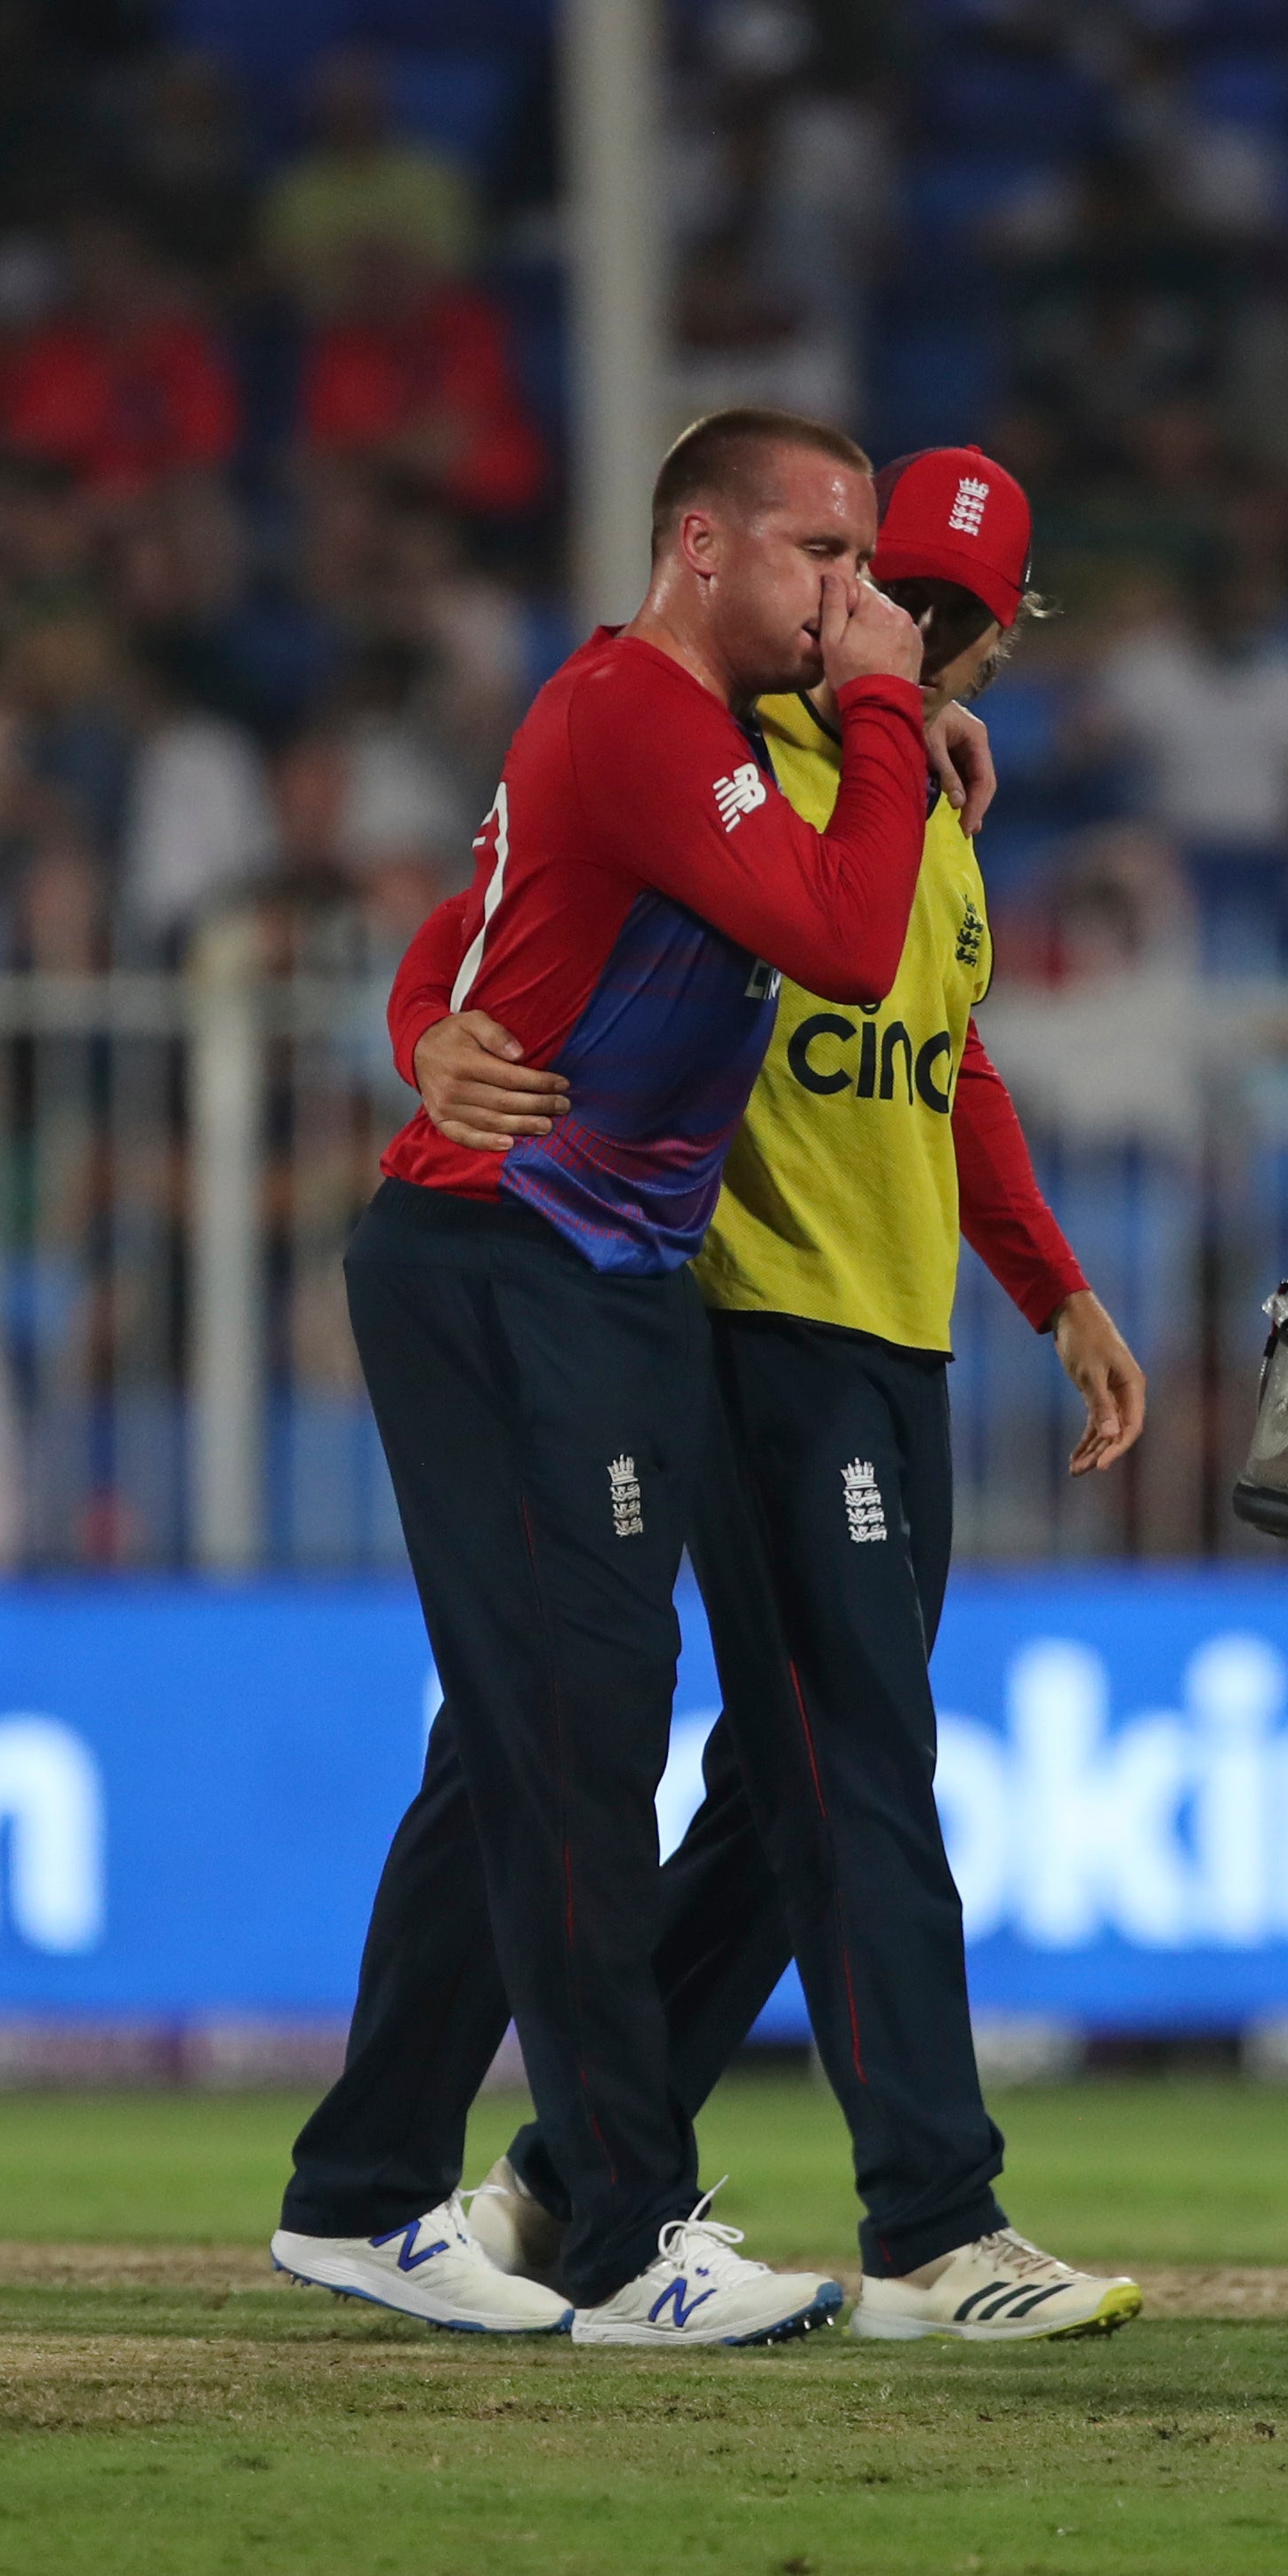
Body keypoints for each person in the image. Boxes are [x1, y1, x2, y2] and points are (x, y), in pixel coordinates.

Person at [409, 447, 1155, 2345]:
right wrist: (430, 1032)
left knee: (788, 1785)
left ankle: (577, 2174)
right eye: (863, 585)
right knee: (858, 1769)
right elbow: (495, 914)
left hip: (898, 1332)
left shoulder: (916, 797)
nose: (893, 628)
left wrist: (1052, 1283)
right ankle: (935, 2223)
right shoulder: (757, 766)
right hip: (758, 1330)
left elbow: (945, 1054)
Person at [268, 409, 938, 2350]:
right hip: (505, 1265)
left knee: (518, 1736)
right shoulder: (642, 709)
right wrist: (894, 726)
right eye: (826, 554)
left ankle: (362, 2190)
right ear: (702, 548)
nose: (857, 595)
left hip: (596, 1277)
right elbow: (840, 932)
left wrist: (425, 1023)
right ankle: (633, 2232)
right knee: (580, 1737)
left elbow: (466, 934)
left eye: (867, 563)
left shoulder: (695, 736)